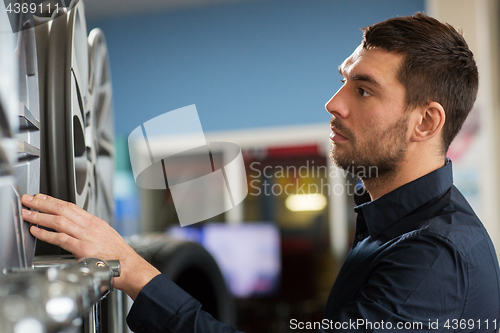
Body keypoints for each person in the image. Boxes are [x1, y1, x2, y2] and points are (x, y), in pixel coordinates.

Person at [21, 12, 500, 332]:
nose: (334, 104)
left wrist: (134, 272)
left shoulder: (433, 259)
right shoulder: (390, 226)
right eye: (342, 82)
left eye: (364, 90)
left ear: (427, 121)